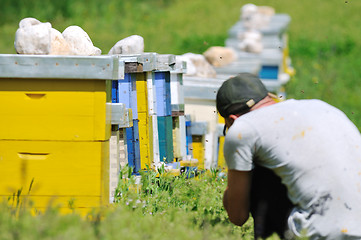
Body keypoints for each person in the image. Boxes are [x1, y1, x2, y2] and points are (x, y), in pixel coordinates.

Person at [216, 73, 361, 239]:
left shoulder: (243, 128)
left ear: (232, 120)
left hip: (322, 233)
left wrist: (234, 185)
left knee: (259, 176)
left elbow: (237, 216)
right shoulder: (319, 106)